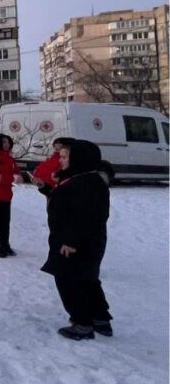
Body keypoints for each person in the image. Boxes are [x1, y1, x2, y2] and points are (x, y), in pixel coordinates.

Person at [42, 139, 112, 340]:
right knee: (88, 279)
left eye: (64, 157)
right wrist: (47, 189)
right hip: (86, 242)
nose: (60, 161)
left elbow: (85, 216)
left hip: (74, 244)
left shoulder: (85, 184)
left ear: (79, 159)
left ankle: (82, 323)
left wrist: (71, 241)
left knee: (69, 281)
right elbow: (65, 202)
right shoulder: (85, 179)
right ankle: (100, 318)